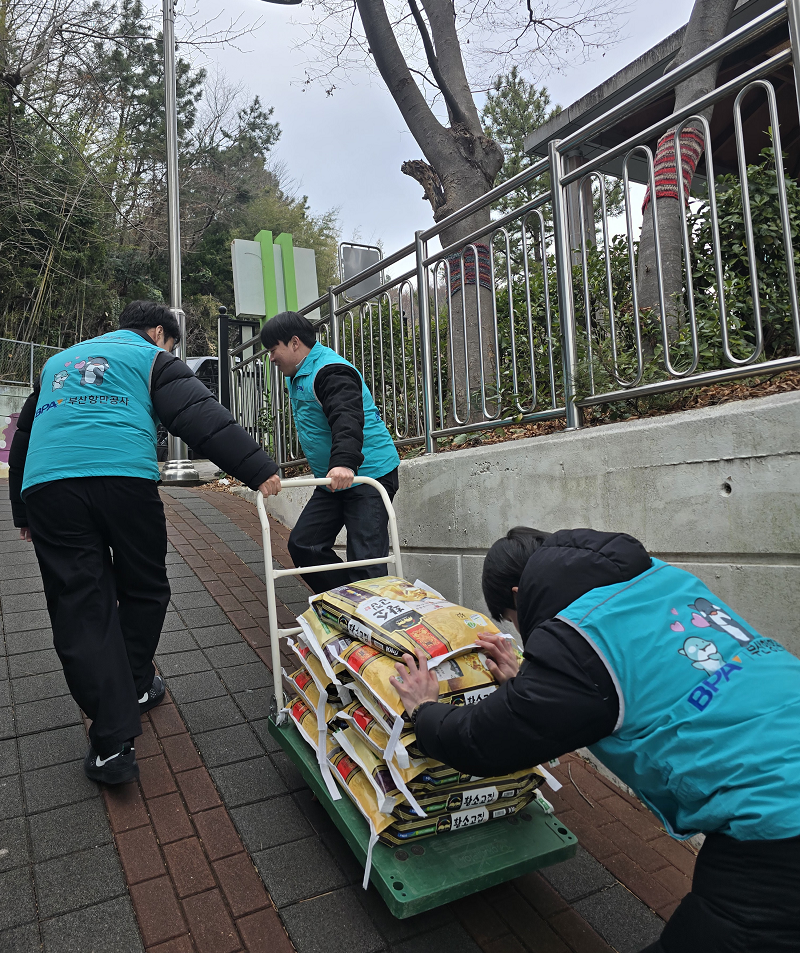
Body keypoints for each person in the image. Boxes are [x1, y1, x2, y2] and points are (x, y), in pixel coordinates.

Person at [391, 526, 800, 953]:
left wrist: (424, 708)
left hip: (777, 818)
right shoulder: (658, 577)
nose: (520, 628)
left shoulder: (578, 641)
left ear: (519, 593)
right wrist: (526, 681)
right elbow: (628, 673)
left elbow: (480, 741)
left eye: (512, 619)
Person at [8, 301, 282, 785]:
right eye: (171, 343)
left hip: (50, 488)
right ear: (159, 332)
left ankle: (112, 743)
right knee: (146, 586)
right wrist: (258, 469)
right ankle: (134, 682)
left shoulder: (57, 362)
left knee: (81, 604)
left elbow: (24, 437)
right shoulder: (151, 356)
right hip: (124, 481)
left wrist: (22, 510)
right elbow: (200, 414)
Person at [260, 311, 400, 591]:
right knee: (304, 545)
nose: (271, 358)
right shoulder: (300, 372)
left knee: (366, 562)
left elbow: (346, 416)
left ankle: (367, 623)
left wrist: (345, 463)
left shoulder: (331, 370)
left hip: (366, 475)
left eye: (273, 350)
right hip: (333, 479)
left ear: (295, 343)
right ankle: (345, 607)